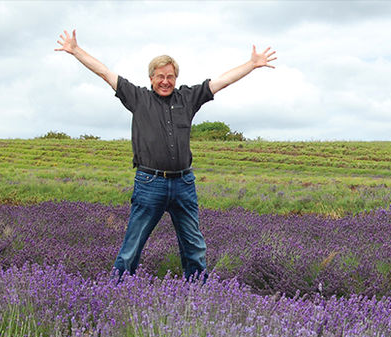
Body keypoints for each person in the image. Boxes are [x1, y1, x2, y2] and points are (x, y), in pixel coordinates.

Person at [55, 29, 276, 280]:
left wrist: (252, 64)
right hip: (150, 183)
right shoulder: (137, 98)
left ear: (175, 78)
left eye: (170, 77)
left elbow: (221, 81)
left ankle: (199, 294)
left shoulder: (188, 98)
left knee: (194, 246)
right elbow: (105, 72)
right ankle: (114, 290)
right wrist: (75, 51)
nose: (165, 81)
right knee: (132, 246)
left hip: (183, 183)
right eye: (160, 76)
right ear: (151, 78)